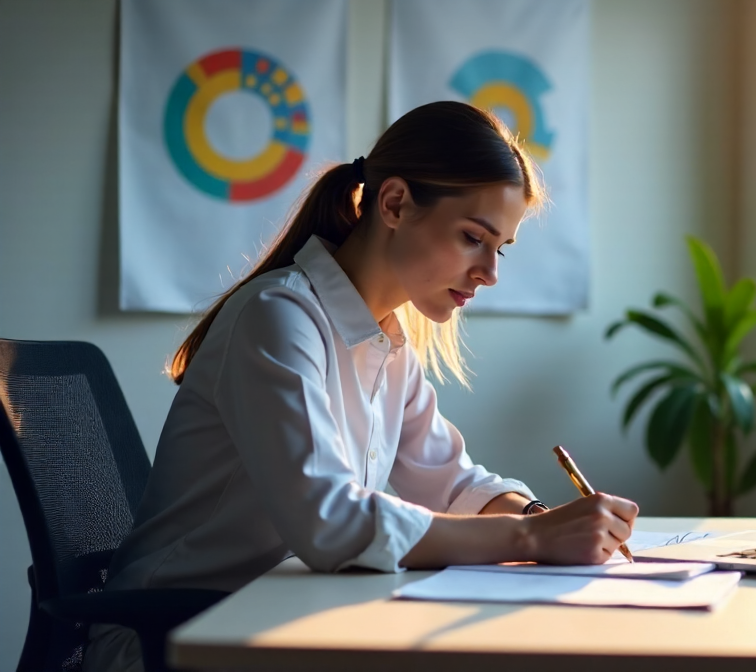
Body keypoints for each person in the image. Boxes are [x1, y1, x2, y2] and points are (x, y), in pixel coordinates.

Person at [84, 101, 639, 671]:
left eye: (500, 248)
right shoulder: (278, 316)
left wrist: (536, 518)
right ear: (395, 203)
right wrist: (531, 541)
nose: (490, 272)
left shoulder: (387, 343)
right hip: (178, 638)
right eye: (474, 237)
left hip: (283, 618)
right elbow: (330, 523)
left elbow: (449, 482)